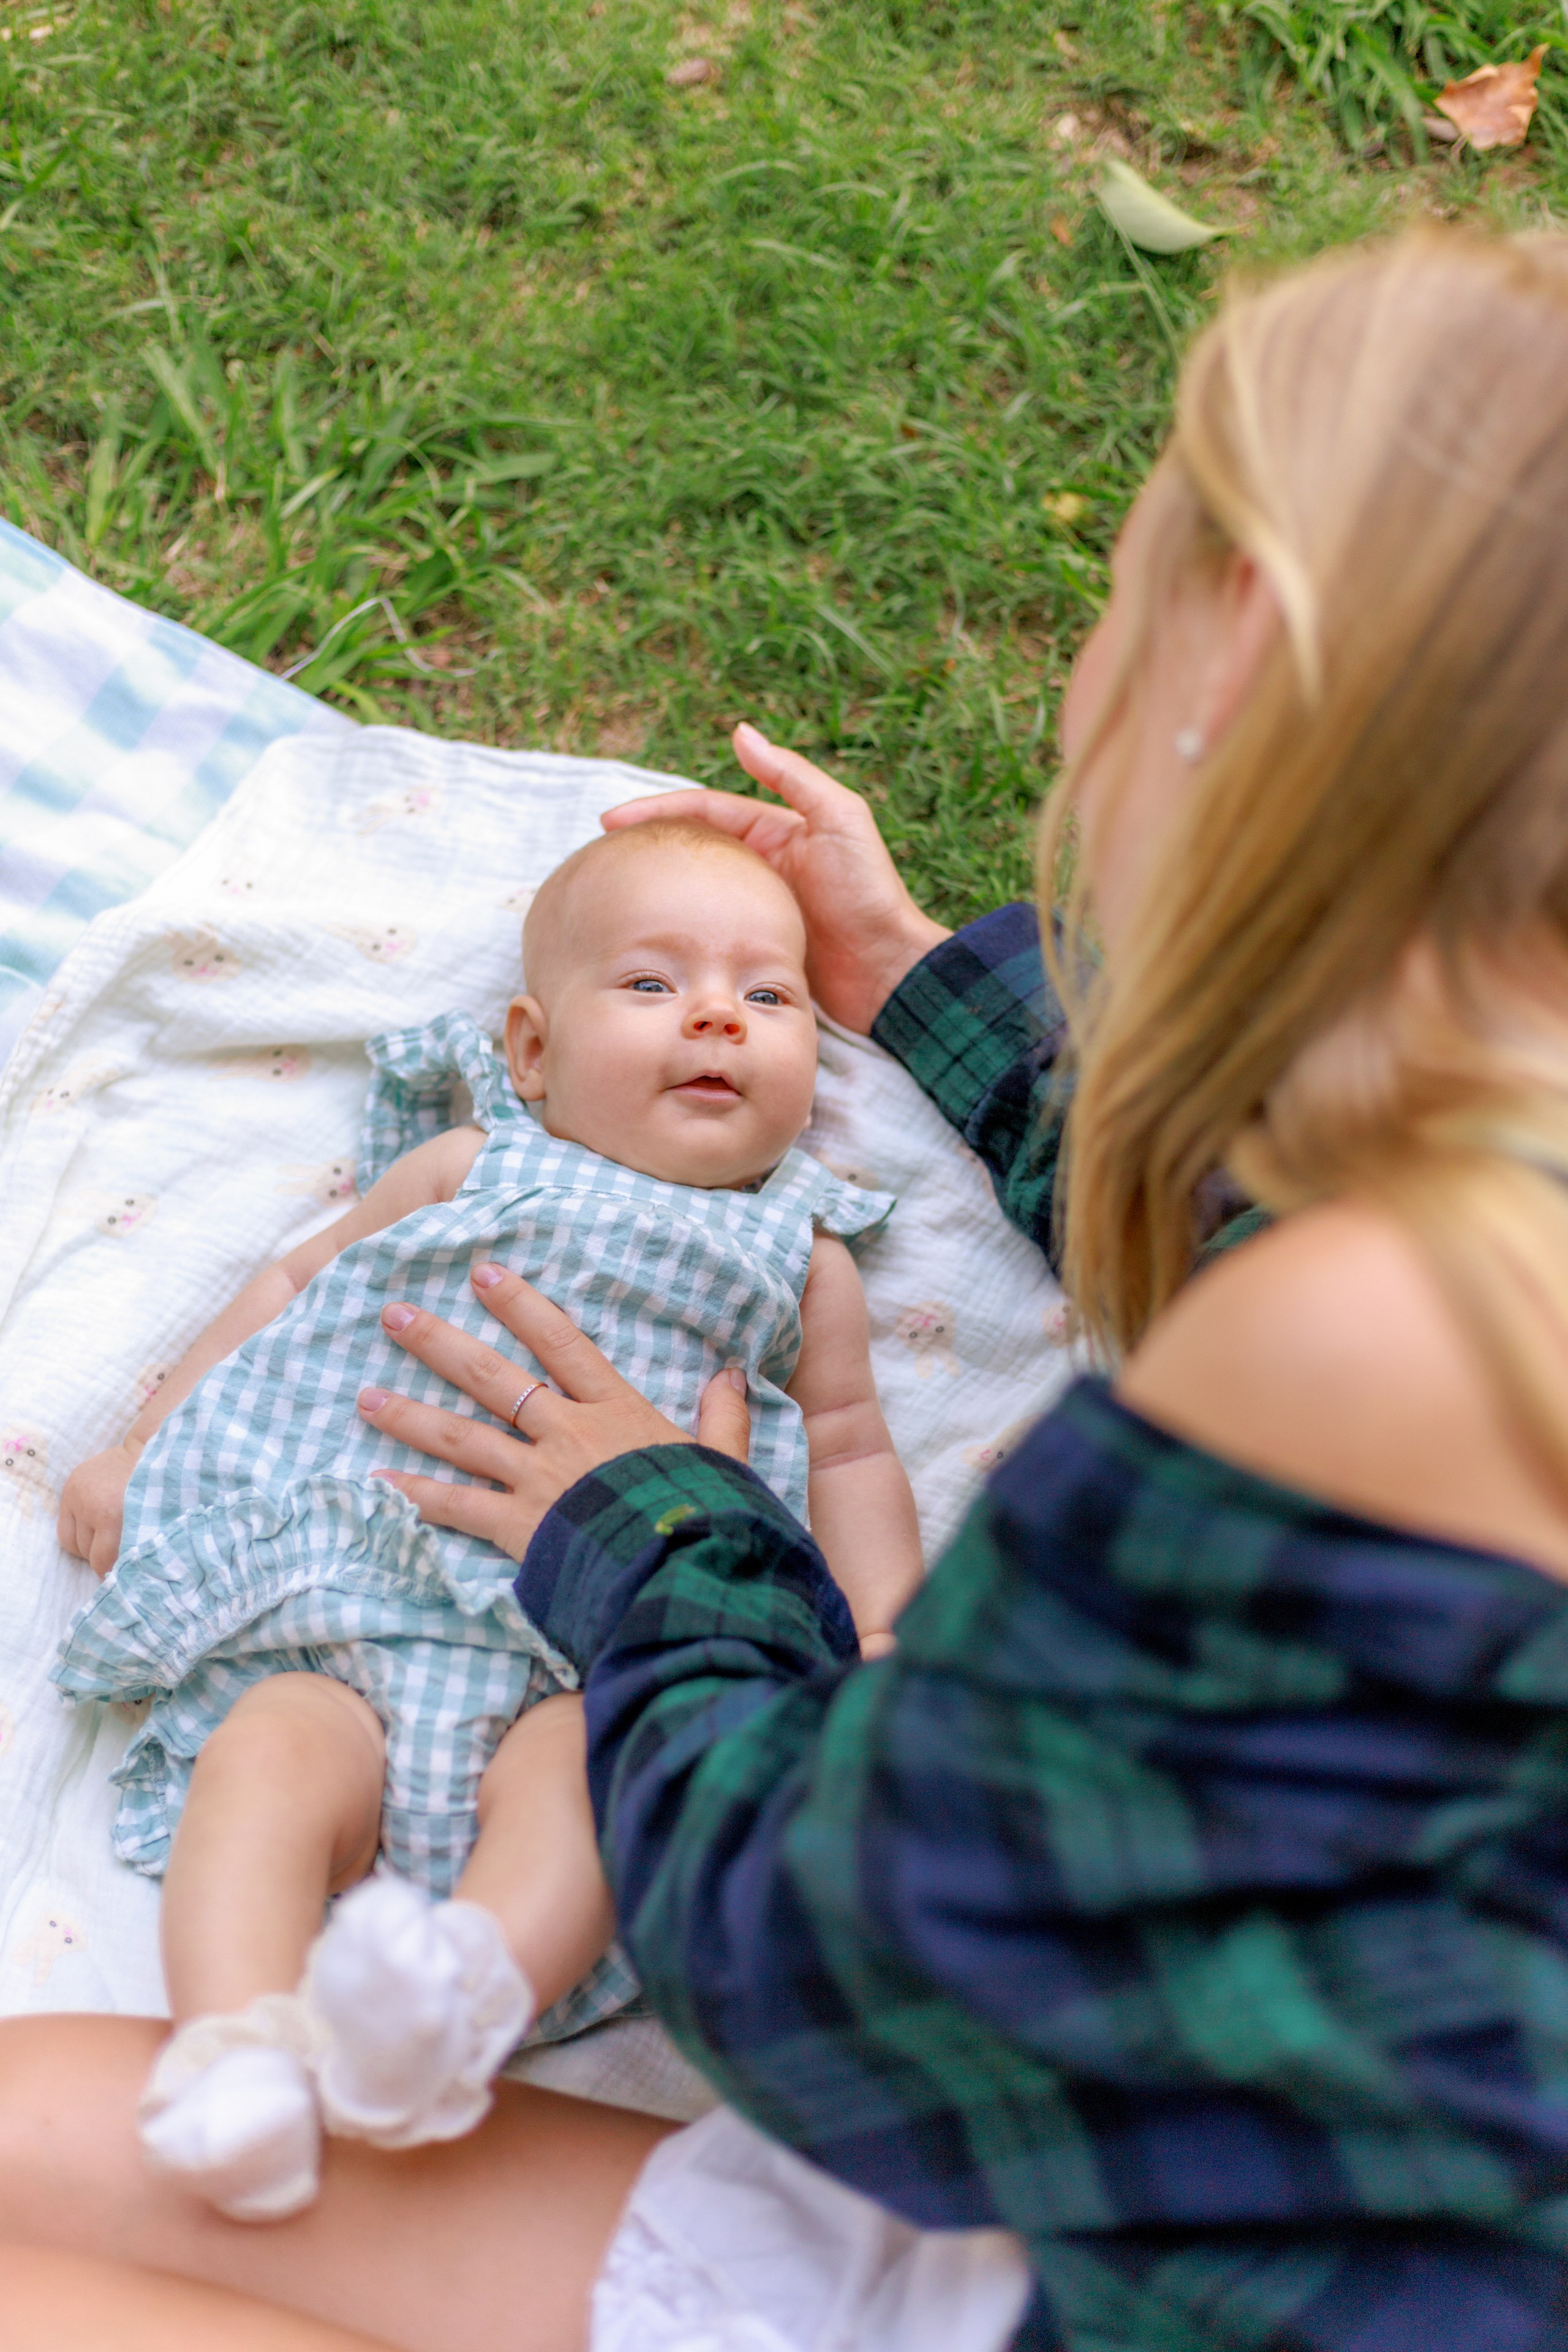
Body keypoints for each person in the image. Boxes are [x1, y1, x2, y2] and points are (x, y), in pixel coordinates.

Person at [6, 224, 1568, 2351]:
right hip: (1208, 2189)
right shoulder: (1449, 1233)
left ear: (1234, 648)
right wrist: (920, 976)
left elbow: (844, 1988)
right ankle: (253, 2040)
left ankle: (426, 1994)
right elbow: (1231, 1208)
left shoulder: (1374, 1341)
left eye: (1114, 597)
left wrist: (650, 1528)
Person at [48, 821, 922, 2223]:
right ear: (529, 1052)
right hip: (356, 1590)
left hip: (596, 1642)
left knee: (587, 1782)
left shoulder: (800, 1251)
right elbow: (290, 1294)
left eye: (770, 999)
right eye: (650, 985)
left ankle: (454, 2008)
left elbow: (850, 1447)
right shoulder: (469, 1165)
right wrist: (141, 1443)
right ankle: (236, 2053)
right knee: (266, 1761)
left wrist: (882, 1630)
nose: (715, 1013)